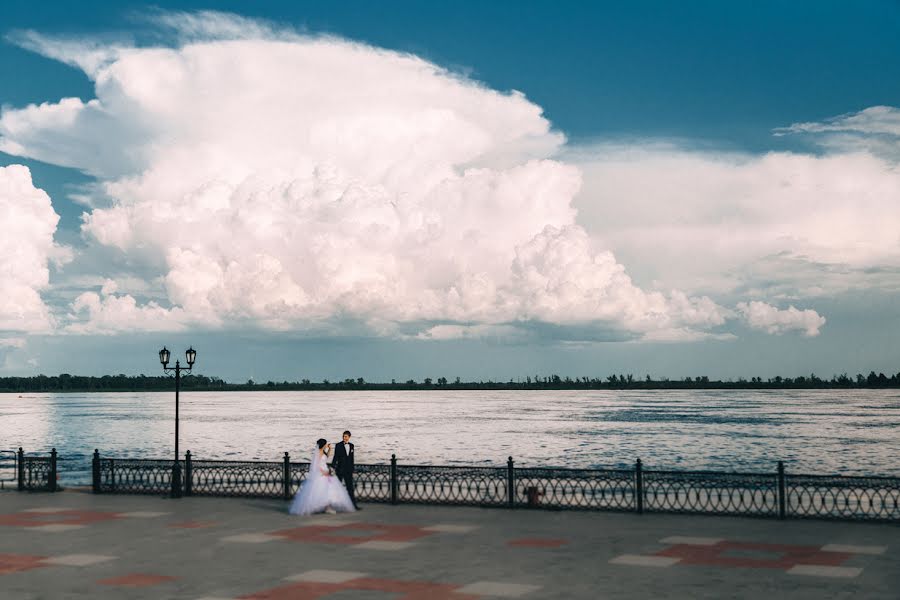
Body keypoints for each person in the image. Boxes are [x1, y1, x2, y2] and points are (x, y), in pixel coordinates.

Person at [288, 438, 356, 516]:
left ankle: (328, 507)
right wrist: (323, 472)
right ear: (323, 444)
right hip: (321, 472)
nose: (327, 444)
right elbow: (316, 464)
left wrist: (329, 449)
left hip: (326, 470)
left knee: (328, 490)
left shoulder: (322, 452)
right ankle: (325, 507)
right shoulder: (319, 453)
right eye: (326, 444)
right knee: (321, 490)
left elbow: (326, 457)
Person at [331, 430, 359, 509]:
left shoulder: (352, 445)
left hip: (348, 470)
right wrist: (332, 467)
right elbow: (335, 457)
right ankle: (335, 505)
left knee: (350, 488)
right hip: (339, 470)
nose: (344, 438)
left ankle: (354, 505)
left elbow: (351, 459)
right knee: (337, 488)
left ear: (349, 437)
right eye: (343, 436)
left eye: (346, 436)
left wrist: (352, 470)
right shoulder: (338, 445)